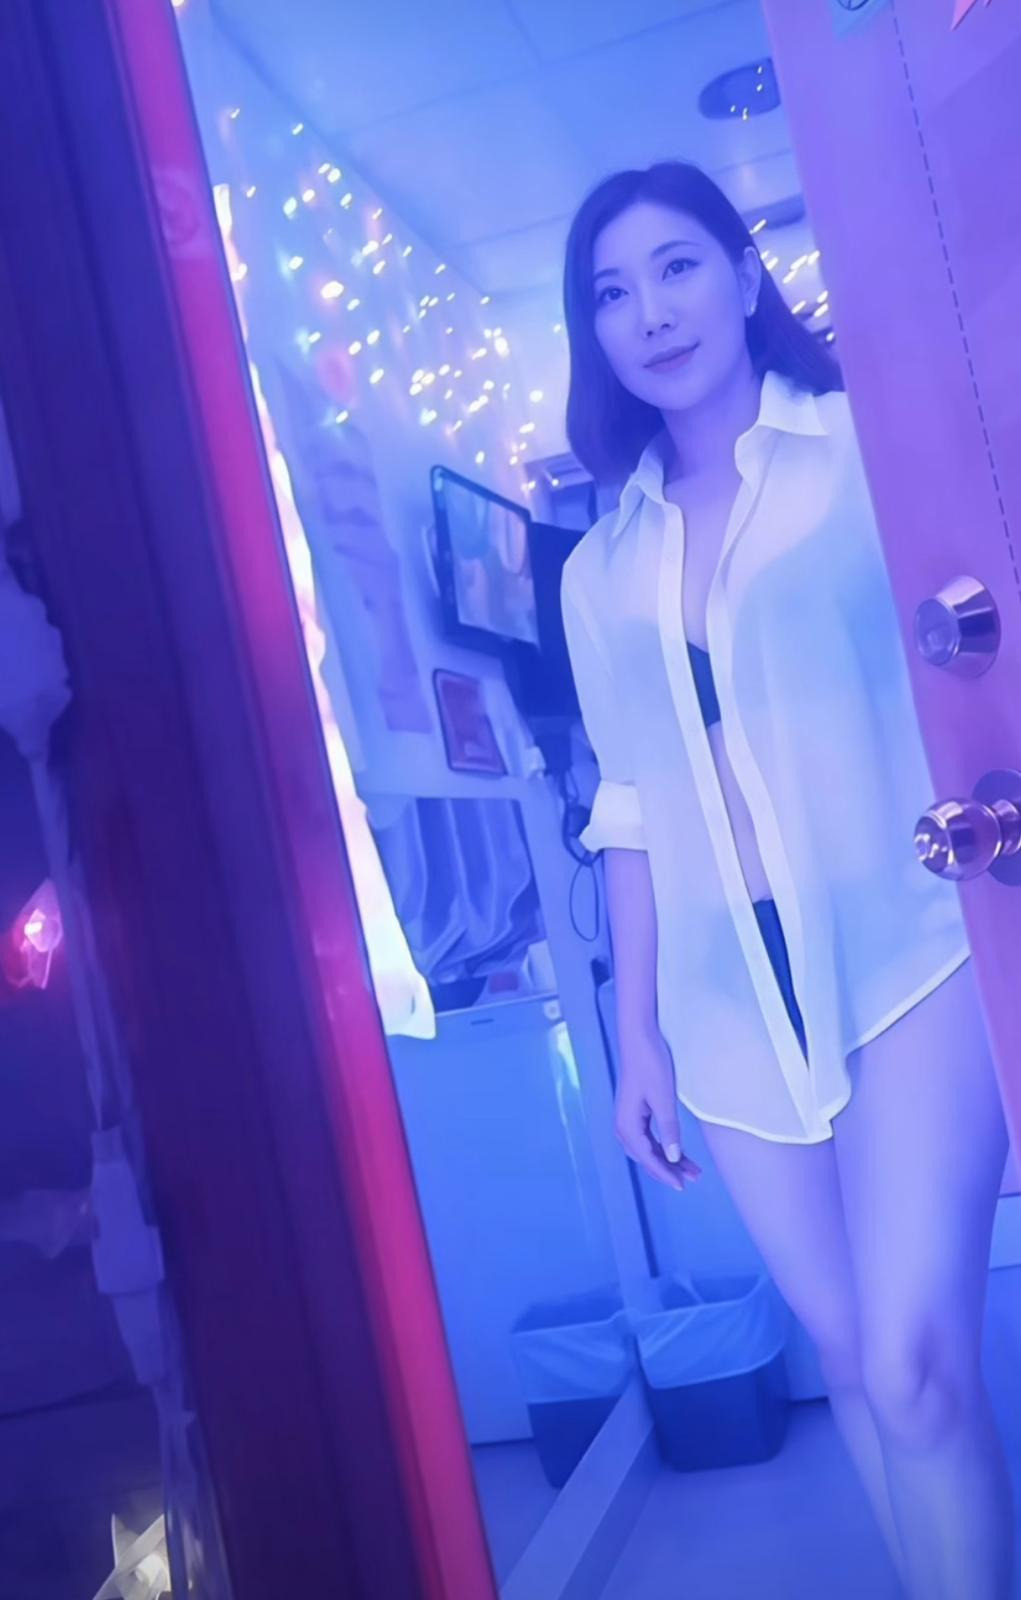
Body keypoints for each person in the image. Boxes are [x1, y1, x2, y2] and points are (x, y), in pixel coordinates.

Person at [559, 161, 1015, 1600]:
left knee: (917, 1363)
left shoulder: (867, 450)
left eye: (677, 266)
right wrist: (635, 1037)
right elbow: (628, 808)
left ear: (745, 276)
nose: (650, 312)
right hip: (723, 1008)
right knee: (857, 1369)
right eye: (611, 292)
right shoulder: (597, 567)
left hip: (907, 949)